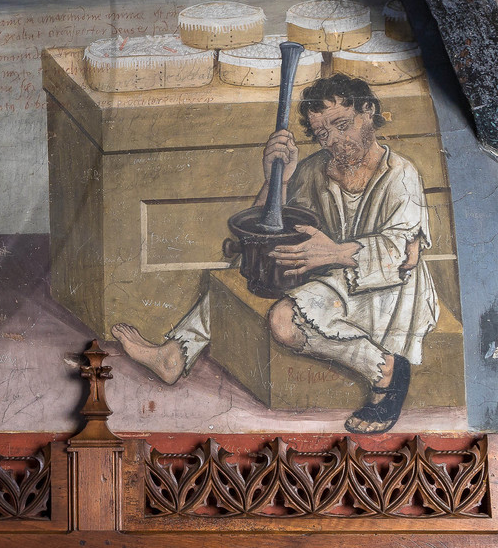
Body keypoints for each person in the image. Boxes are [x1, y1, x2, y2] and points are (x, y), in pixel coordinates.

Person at [111, 74, 439, 434]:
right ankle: (177, 352)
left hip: (383, 287)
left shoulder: (400, 174)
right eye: (323, 133)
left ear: (368, 111)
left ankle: (385, 368)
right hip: (329, 274)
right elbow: (268, 227)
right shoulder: (315, 169)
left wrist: (332, 252)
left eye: (342, 125)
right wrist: (276, 180)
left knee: (284, 321)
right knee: (254, 259)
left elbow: (404, 255)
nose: (334, 141)